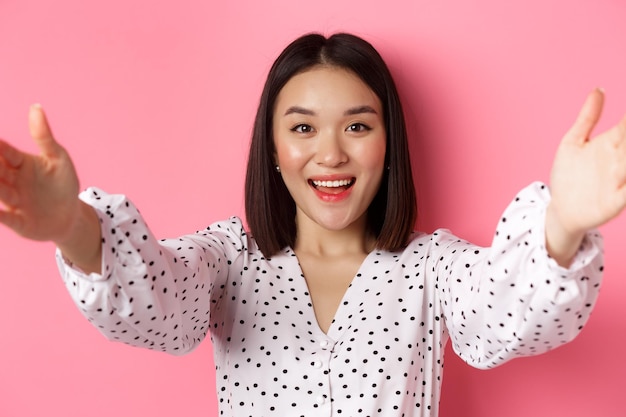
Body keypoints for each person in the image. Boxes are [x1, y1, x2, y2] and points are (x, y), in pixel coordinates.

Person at [0, 32, 624, 417]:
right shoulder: (228, 260)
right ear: (272, 149)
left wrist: (563, 223)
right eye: (302, 128)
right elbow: (159, 304)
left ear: (389, 144)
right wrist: (75, 229)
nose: (330, 154)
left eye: (357, 125)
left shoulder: (433, 266)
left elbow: (505, 315)